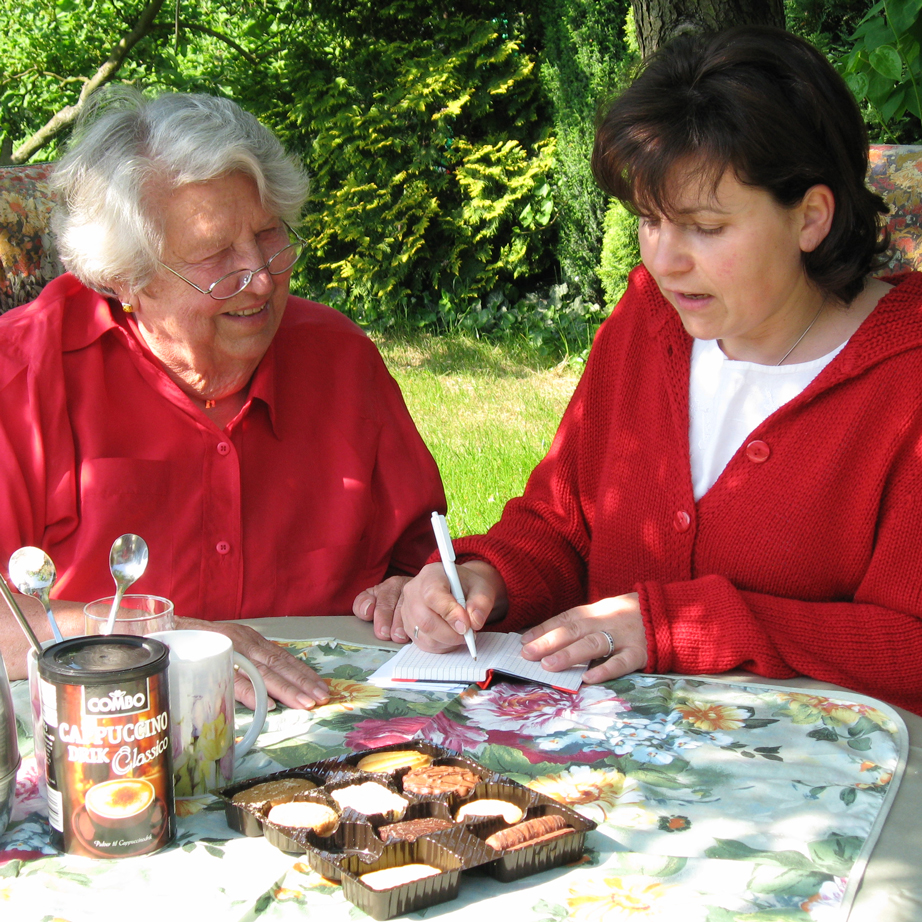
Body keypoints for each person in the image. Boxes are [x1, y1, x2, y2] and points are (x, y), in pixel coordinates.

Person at [361, 25, 922, 717]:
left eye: (705, 228)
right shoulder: (647, 324)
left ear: (810, 217)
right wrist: (484, 580)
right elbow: (565, 526)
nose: (665, 259)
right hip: (623, 778)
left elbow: (909, 646)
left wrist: (673, 626)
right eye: (648, 220)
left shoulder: (906, 383)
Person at [0, 89, 445, 709]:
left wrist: (415, 591)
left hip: (330, 732)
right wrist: (151, 639)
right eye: (216, 258)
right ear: (127, 278)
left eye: (268, 236)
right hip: (113, 741)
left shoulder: (339, 362)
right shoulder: (20, 380)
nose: (261, 278)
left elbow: (427, 561)